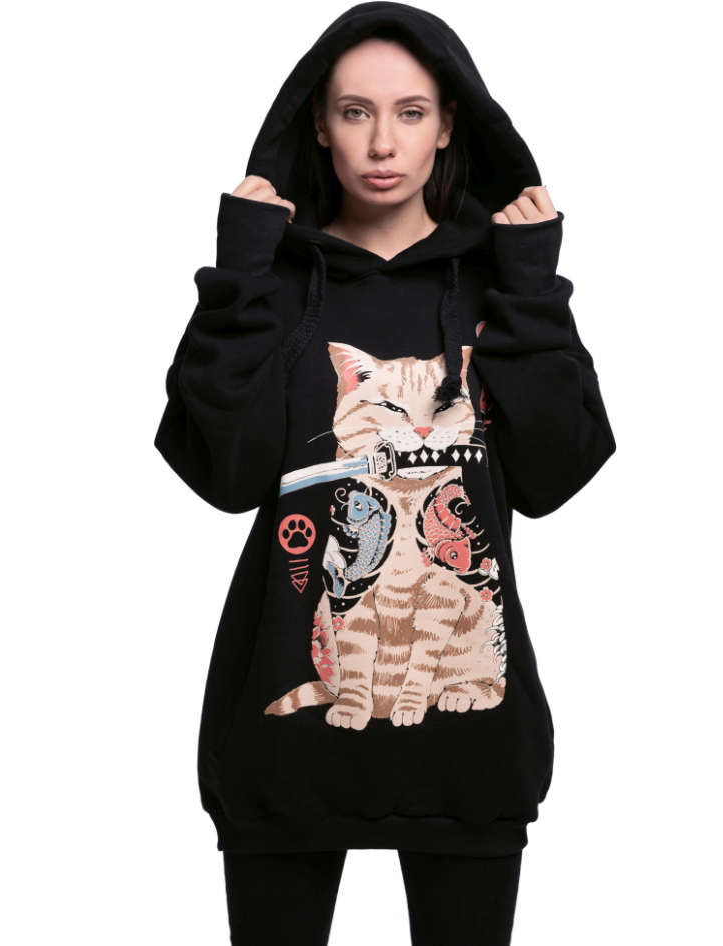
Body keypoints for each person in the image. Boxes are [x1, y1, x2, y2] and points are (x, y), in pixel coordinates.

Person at [154, 3, 616, 943]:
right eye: (354, 111)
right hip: (283, 732)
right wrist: (239, 277)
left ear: (448, 126)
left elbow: (554, 475)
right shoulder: (275, 286)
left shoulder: (498, 284)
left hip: (468, 734)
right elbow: (222, 475)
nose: (381, 142)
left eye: (410, 112)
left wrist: (531, 289)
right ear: (318, 127)